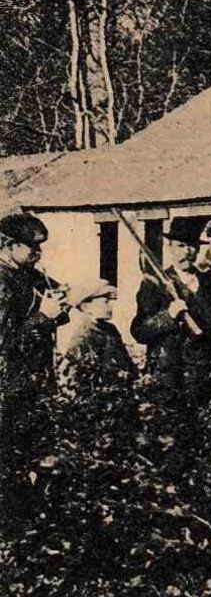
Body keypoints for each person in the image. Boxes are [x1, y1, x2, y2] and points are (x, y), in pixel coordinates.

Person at [0, 213, 67, 517]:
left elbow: (56, 314)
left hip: (37, 376)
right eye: (30, 248)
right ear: (9, 246)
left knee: (39, 451)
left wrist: (60, 304)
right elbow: (5, 339)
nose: (37, 254)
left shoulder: (31, 275)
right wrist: (44, 317)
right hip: (9, 381)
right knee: (14, 454)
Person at [131, 215, 211, 399]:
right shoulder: (154, 285)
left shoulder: (210, 282)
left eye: (192, 245)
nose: (187, 251)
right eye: (180, 246)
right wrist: (168, 316)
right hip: (169, 375)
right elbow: (139, 331)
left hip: (205, 372)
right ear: (170, 248)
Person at [57, 279, 135, 391]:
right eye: (105, 302)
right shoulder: (83, 336)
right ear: (86, 307)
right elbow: (79, 378)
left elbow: (127, 363)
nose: (110, 306)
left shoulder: (111, 330)